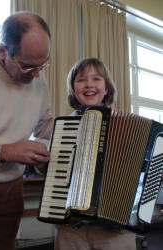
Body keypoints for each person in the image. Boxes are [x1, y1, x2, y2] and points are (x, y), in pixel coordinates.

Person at [0, 11, 54, 250]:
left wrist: (79, 123)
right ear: (2, 51)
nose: (38, 75)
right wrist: (6, 152)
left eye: (43, 64)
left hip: (13, 185)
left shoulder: (37, 78)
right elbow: (9, 150)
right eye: (28, 66)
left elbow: (44, 125)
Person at [54, 58, 136, 250]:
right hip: (71, 228)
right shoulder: (62, 128)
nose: (89, 84)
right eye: (81, 80)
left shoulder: (128, 127)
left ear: (106, 88)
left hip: (115, 230)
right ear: (74, 89)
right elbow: (53, 170)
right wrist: (45, 166)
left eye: (96, 78)